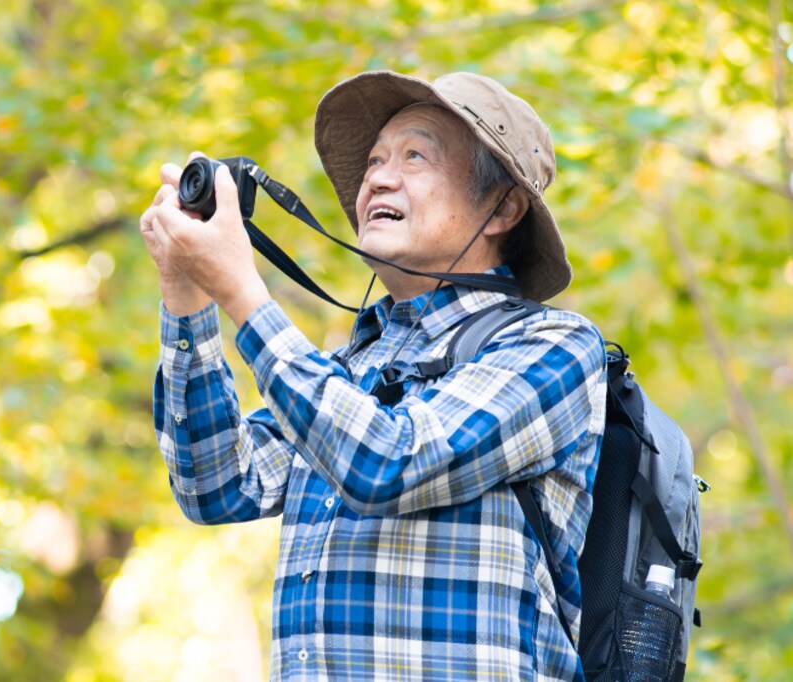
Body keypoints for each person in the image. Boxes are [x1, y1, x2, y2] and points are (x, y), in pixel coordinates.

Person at [139, 70, 607, 681]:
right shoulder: (347, 371)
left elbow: (389, 461)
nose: (379, 177)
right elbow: (217, 484)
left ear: (502, 207)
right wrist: (187, 291)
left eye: (416, 156)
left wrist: (242, 292)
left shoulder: (552, 347)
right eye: (375, 162)